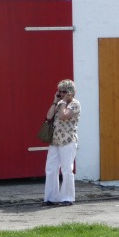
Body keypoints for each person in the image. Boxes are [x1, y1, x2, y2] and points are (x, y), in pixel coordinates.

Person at [42, 79, 81, 207]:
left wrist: (63, 102)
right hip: (55, 141)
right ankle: (51, 198)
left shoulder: (75, 104)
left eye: (64, 91)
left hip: (68, 141)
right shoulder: (59, 103)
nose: (61, 94)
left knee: (66, 169)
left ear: (71, 92)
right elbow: (49, 116)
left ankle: (67, 198)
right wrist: (55, 101)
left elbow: (64, 116)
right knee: (51, 169)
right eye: (60, 91)